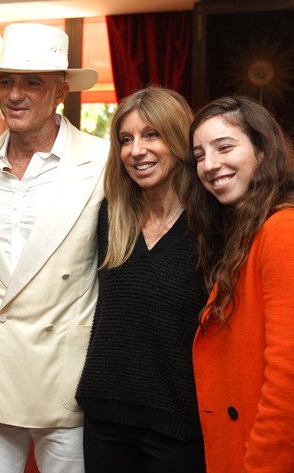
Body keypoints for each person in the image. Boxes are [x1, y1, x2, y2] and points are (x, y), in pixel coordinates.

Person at [0, 23, 108, 473]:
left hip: (64, 376)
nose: (15, 94)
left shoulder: (101, 162)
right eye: (7, 81)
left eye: (32, 82)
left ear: (60, 92)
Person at [187, 95, 294, 472]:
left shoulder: (289, 230)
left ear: (262, 151)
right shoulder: (249, 230)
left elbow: (291, 395)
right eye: (199, 155)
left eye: (224, 146)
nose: (210, 164)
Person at [75, 87, 207, 472]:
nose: (137, 150)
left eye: (152, 135)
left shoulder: (211, 225)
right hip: (105, 416)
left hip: (178, 423)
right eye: (126, 139)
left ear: (180, 140)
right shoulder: (110, 217)